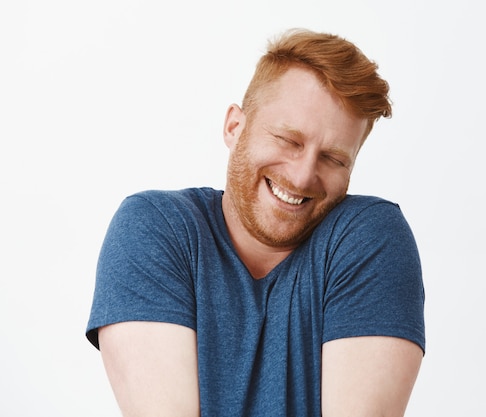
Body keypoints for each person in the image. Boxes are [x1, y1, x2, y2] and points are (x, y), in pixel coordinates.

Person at [86, 28, 426, 417]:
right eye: (288, 139)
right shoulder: (155, 229)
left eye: (333, 158)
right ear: (234, 127)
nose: (302, 177)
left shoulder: (371, 238)